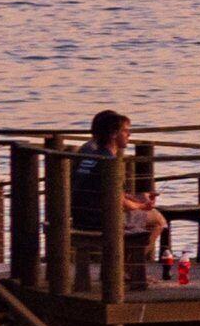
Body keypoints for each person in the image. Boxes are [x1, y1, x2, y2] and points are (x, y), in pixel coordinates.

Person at [71, 111, 170, 282]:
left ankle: (123, 269)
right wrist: (143, 207)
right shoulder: (109, 161)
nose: (129, 135)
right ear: (114, 134)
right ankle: (128, 270)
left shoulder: (90, 156)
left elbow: (114, 193)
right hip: (102, 220)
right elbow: (119, 203)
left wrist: (139, 198)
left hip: (82, 217)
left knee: (138, 219)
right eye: (126, 130)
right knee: (158, 220)